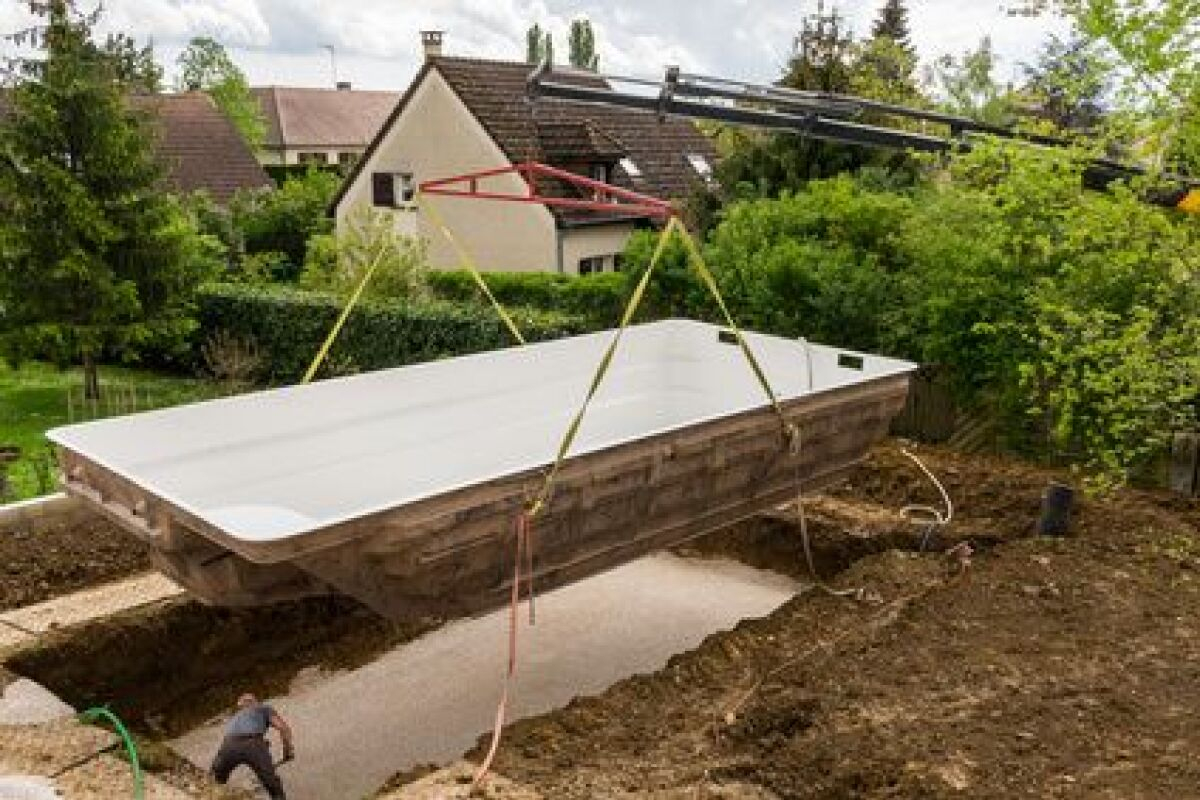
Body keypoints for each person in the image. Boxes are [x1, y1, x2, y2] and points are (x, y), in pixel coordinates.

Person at [211, 692, 294, 800]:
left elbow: (241, 733)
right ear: (255, 701)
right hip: (253, 744)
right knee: (274, 787)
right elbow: (283, 728)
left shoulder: (236, 716)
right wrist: (287, 750)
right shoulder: (263, 708)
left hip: (228, 746)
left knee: (213, 782)